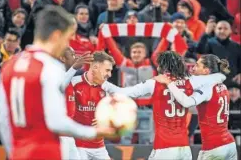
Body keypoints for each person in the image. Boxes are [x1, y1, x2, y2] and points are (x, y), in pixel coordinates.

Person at [0, 5, 115, 160]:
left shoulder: (10, 65)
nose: (69, 43)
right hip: (46, 152)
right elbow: (56, 122)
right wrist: (96, 132)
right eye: (67, 38)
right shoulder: (50, 67)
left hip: (20, 153)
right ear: (56, 35)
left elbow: (3, 121)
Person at [92, 51, 226, 160]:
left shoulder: (155, 83)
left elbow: (124, 92)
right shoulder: (190, 82)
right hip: (185, 148)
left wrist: (103, 83)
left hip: (164, 148)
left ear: (163, 66)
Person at [156, 54, 237, 160]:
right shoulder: (223, 86)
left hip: (214, 148)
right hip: (229, 144)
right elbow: (205, 109)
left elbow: (186, 102)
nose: (193, 68)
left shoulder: (207, 87)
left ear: (206, 71)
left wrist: (169, 83)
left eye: (197, 65)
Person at [63, 51, 115, 160]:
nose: (109, 75)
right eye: (107, 70)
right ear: (95, 67)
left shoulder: (108, 89)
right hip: (78, 145)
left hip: (99, 146)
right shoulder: (73, 83)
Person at [59, 47, 93, 160]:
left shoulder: (71, 78)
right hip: (57, 138)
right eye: (72, 55)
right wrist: (74, 68)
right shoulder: (53, 75)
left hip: (68, 136)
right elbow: (58, 87)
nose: (76, 57)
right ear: (62, 58)